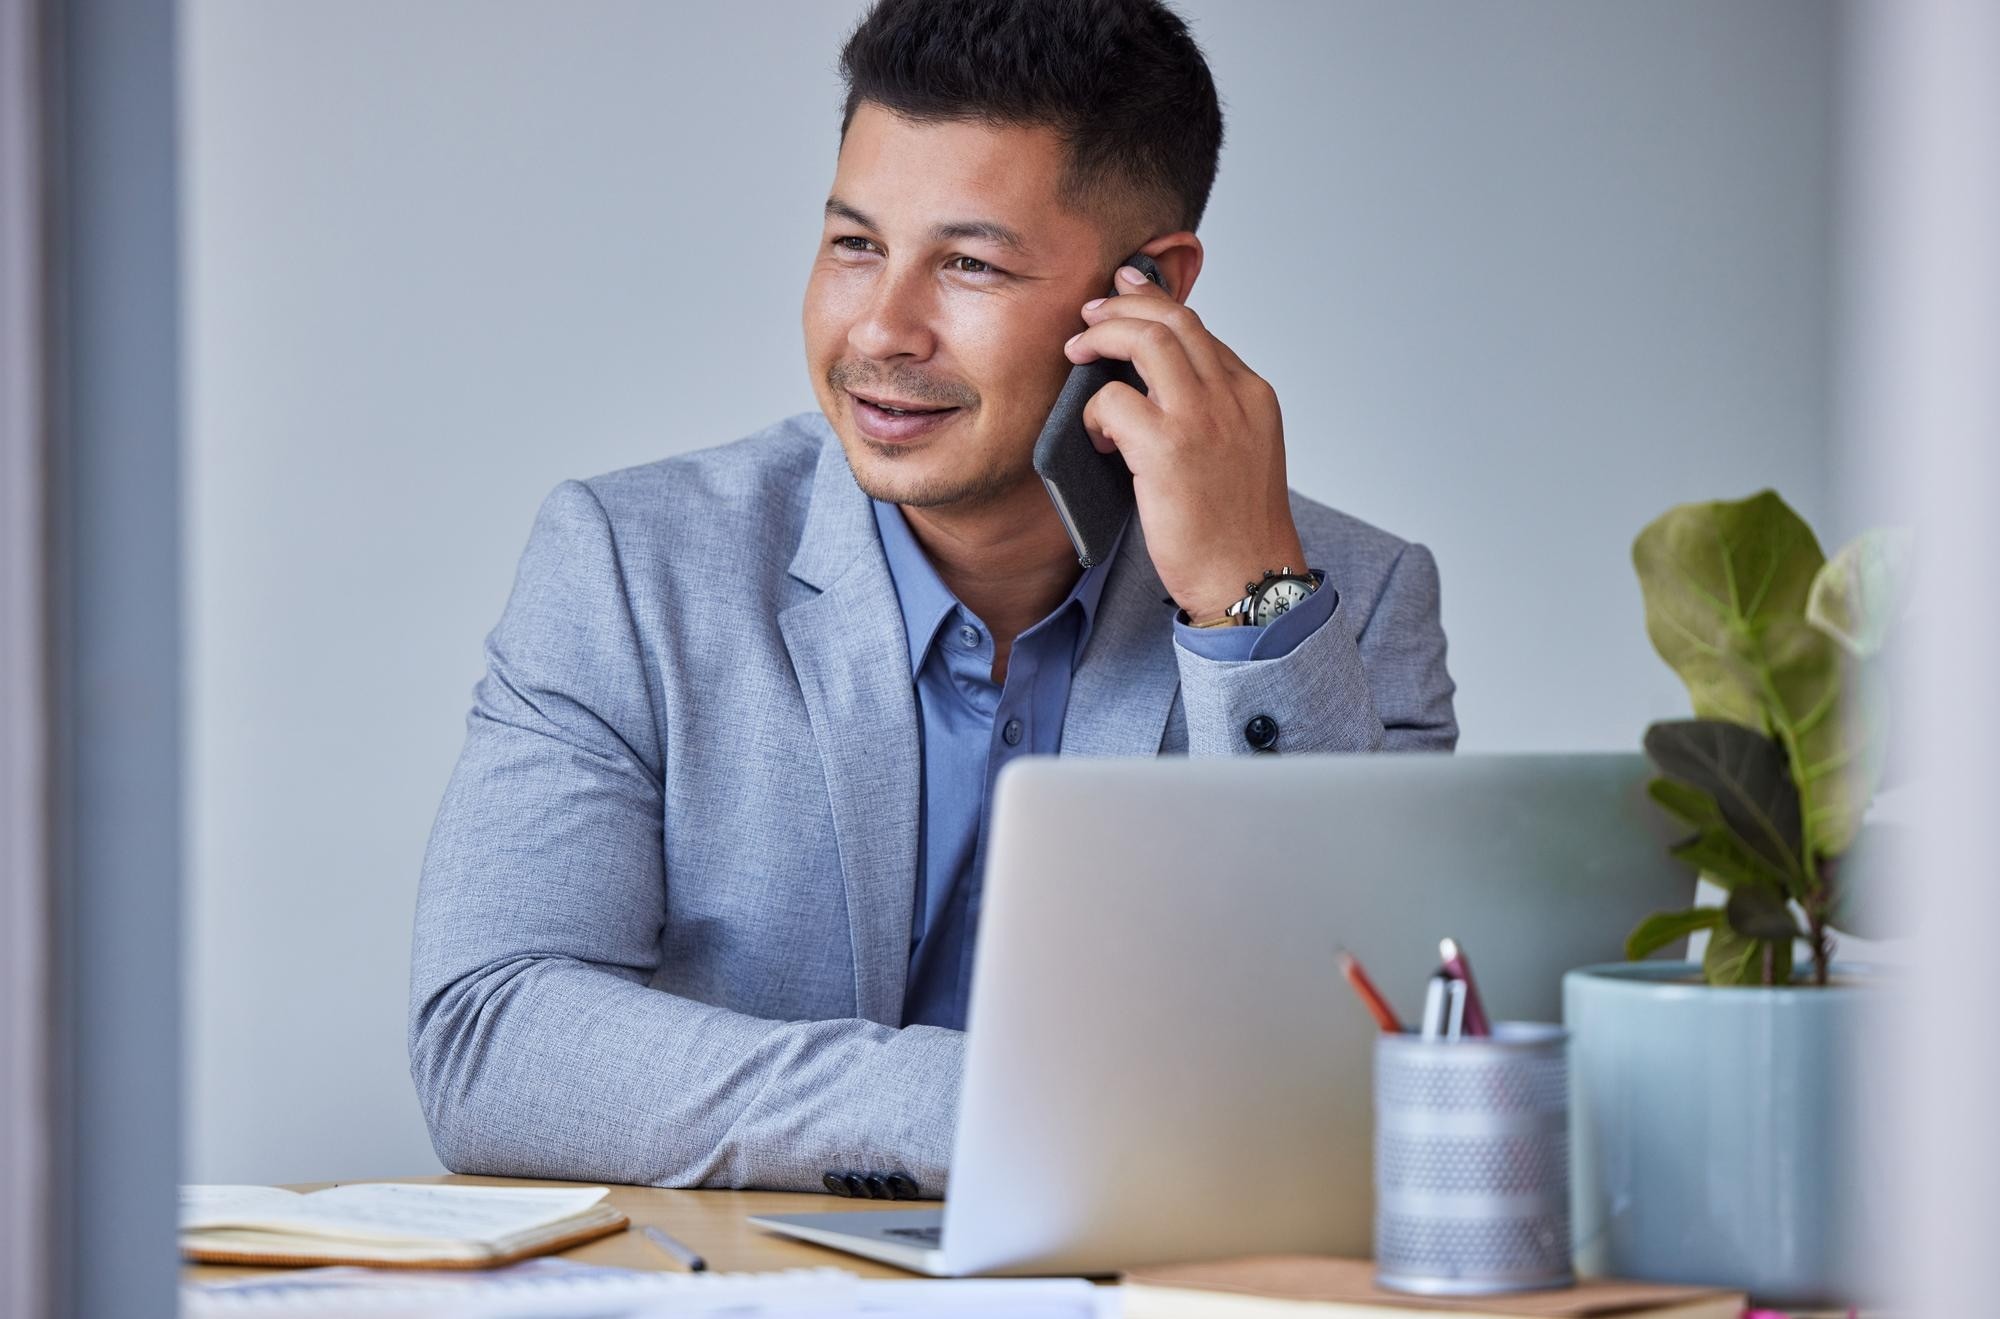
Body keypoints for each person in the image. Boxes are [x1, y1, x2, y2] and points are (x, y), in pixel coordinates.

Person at [408, 0, 1457, 1195]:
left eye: (968, 263)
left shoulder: (1349, 606)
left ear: (1148, 289)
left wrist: (1247, 610)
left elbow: (1360, 1082)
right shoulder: (632, 565)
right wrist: (974, 1103)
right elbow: (488, 1037)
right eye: (855, 244)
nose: (880, 328)